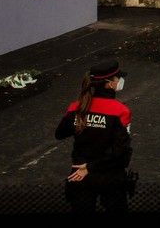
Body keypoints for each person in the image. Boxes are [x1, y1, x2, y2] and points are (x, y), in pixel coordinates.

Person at [55, 58, 132, 213]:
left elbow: (60, 133)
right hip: (110, 176)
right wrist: (91, 167)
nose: (120, 80)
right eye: (118, 78)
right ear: (110, 83)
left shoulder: (77, 107)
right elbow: (120, 153)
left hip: (80, 175)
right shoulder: (120, 111)